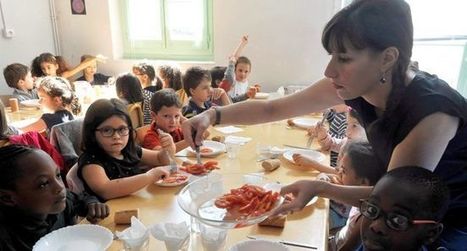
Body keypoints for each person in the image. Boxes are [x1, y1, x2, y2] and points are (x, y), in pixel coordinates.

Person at [183, 0, 467, 247]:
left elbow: (390, 200)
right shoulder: (360, 83)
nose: (329, 70)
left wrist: (321, 188)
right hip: (391, 214)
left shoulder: (432, 113)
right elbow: (272, 108)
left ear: (388, 58)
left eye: (344, 58)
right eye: (331, 55)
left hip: (444, 222)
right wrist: (212, 115)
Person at [0, 145, 109, 251]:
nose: (60, 187)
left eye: (58, 175)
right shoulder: (6, 238)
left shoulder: (59, 201)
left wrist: (91, 204)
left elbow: (81, 199)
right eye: (43, 184)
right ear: (7, 198)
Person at [77, 98, 171, 201]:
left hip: (137, 206)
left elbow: (159, 159)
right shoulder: (90, 160)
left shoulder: (128, 150)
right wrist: (149, 176)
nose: (116, 136)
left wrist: (167, 149)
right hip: (112, 214)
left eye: (122, 129)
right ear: (92, 133)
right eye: (107, 130)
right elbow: (106, 190)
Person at [357, 166, 449, 251]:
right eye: (372, 210)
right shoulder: (371, 243)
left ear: (431, 233)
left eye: (398, 220)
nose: (376, 227)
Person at [317, 141, 384, 250]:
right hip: (333, 240)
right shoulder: (359, 198)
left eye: (343, 171)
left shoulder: (365, 216)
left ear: (363, 183)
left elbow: (347, 248)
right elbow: (329, 177)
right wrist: (323, 178)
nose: (338, 173)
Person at [293, 107, 365, 174]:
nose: (347, 131)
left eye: (354, 126)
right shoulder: (348, 141)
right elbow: (330, 145)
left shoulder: (364, 152)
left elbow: (341, 175)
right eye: (347, 125)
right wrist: (323, 135)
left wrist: (312, 163)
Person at [219, 35, 259, 102]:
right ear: (235, 70)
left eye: (246, 71)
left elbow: (243, 97)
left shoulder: (245, 82)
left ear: (249, 72)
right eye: (240, 70)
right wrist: (242, 44)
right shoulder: (233, 80)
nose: (243, 74)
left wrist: (253, 90)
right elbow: (234, 58)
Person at [31, 52, 104, 80]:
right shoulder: (42, 80)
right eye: (43, 69)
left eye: (49, 67)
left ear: (56, 66)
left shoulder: (61, 76)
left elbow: (80, 67)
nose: (46, 71)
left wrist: (95, 58)